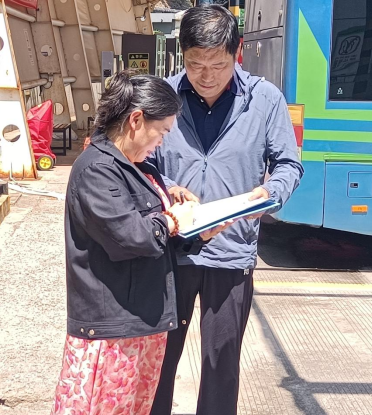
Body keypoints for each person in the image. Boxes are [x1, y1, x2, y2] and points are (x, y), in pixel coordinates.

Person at [150, 5, 304, 415]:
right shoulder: (162, 97)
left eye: (218, 65)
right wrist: (166, 187)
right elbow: (140, 163)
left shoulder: (265, 99)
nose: (206, 75)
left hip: (231, 252)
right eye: (195, 64)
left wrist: (270, 193)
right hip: (171, 251)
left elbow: (288, 164)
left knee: (221, 364)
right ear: (181, 55)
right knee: (158, 361)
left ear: (237, 52)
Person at [51, 71, 228, 414]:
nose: (161, 142)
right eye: (161, 131)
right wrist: (174, 219)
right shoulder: (97, 170)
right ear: (135, 120)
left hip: (144, 322)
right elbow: (132, 236)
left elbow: (160, 241)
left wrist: (198, 232)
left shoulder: (140, 168)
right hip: (111, 330)